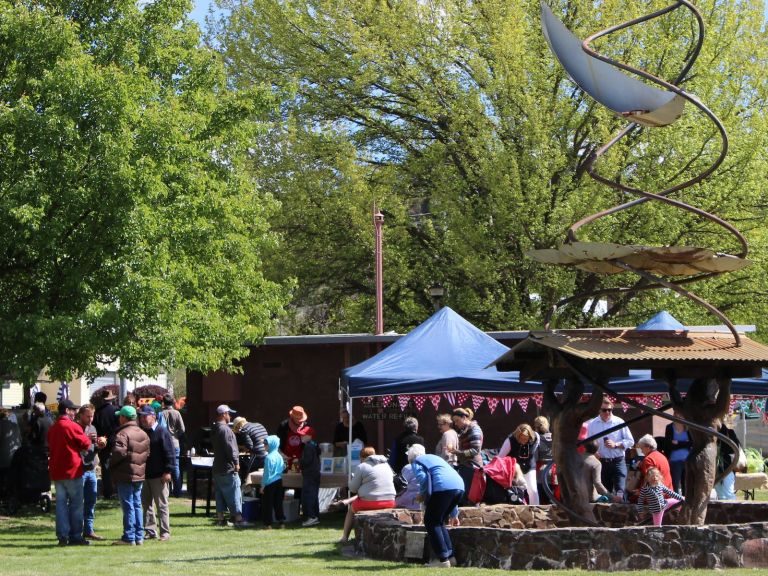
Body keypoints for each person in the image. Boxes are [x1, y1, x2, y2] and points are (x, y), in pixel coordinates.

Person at [407, 444, 464, 568]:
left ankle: (442, 560)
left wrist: (422, 495)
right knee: (439, 521)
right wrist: (454, 514)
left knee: (431, 521)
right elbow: (448, 481)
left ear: (410, 458)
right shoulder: (434, 458)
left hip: (443, 488)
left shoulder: (416, 461)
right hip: (459, 486)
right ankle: (450, 557)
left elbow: (423, 480)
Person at [47, 398, 92, 546]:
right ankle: (75, 536)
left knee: (60, 505)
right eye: (73, 410)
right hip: (72, 470)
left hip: (57, 471)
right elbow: (86, 443)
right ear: (67, 411)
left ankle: (62, 536)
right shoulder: (72, 426)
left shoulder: (53, 428)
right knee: (76, 505)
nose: (75, 413)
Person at [110, 405, 150, 545]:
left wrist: (111, 462)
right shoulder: (143, 433)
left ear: (124, 417)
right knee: (137, 504)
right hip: (139, 473)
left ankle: (129, 537)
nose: (119, 418)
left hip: (125, 474)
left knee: (128, 505)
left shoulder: (122, 433)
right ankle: (139, 536)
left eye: (120, 416)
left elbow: (119, 452)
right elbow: (147, 453)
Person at [340, 446, 396, 543]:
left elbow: (353, 488)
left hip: (370, 502)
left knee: (351, 510)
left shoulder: (362, 466)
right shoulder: (387, 465)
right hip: (390, 501)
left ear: (362, 458)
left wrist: (352, 480)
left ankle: (345, 537)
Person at [138, 405, 174, 541]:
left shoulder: (162, 431)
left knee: (162, 505)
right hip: (144, 474)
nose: (142, 419)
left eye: (144, 416)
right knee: (146, 504)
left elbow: (169, 453)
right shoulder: (142, 432)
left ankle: (165, 532)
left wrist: (168, 471)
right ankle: (150, 531)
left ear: (153, 416)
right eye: (140, 416)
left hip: (159, 475)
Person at [211, 404, 250, 528]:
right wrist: (236, 462)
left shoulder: (214, 428)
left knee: (220, 493)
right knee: (234, 492)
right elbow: (231, 448)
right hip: (228, 467)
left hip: (217, 467)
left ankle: (221, 518)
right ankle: (238, 518)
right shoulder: (226, 430)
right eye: (229, 413)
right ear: (223, 414)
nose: (230, 416)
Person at [586, 399, 634, 496]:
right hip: (602, 462)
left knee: (620, 491)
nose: (607, 412)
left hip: (618, 461)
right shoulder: (592, 424)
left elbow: (631, 441)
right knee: (605, 493)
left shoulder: (619, 422)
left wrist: (616, 444)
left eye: (610, 410)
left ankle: (623, 508)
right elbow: (587, 443)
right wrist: (593, 453)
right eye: (604, 410)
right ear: (599, 410)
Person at [75, 404, 106, 541]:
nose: (90, 419)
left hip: (91, 470)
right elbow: (74, 448)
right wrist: (86, 439)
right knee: (77, 502)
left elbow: (93, 449)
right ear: (80, 415)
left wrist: (99, 446)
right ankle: (75, 531)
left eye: (92, 416)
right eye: (88, 416)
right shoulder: (75, 429)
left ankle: (89, 530)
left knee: (91, 501)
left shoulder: (92, 428)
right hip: (79, 470)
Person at [499, 423, 540, 505]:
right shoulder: (510, 440)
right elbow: (500, 457)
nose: (523, 441)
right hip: (515, 469)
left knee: (533, 490)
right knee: (517, 491)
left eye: (526, 439)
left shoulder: (536, 437)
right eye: (521, 438)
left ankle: (535, 510)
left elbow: (535, 449)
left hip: (529, 466)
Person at [447, 407, 483, 500]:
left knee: (470, 498)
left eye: (457, 420)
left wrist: (457, 452)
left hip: (472, 468)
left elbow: (475, 451)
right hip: (465, 467)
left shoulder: (474, 429)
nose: (456, 423)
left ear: (464, 418)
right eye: (454, 421)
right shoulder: (465, 430)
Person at [93, 390, 119, 499]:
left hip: (103, 442)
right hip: (116, 441)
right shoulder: (116, 411)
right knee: (118, 466)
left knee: (105, 467)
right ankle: (117, 489)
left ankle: (108, 491)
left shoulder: (97, 412)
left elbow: (95, 428)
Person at [161, 395, 186, 497]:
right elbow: (182, 429)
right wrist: (176, 434)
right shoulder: (177, 413)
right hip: (175, 443)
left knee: (164, 466)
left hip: (163, 443)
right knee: (176, 467)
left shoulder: (161, 414)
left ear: (164, 402)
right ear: (172, 402)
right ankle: (177, 491)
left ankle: (166, 490)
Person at [261, 435, 286, 529]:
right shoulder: (279, 456)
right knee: (278, 503)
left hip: (269, 483)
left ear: (271, 445)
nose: (264, 446)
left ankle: (267, 524)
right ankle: (281, 522)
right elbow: (283, 467)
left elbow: (266, 474)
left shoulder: (268, 458)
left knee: (267, 504)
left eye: (265, 444)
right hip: (279, 481)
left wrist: (263, 485)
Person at [662, 413, 691, 494]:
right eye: (676, 415)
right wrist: (685, 443)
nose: (678, 417)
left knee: (686, 484)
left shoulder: (688, 427)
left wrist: (677, 443)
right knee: (675, 484)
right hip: (674, 460)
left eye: (680, 415)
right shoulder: (670, 427)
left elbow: (691, 443)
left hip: (687, 460)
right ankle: (676, 503)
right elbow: (668, 445)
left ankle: (686, 503)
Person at [299, 427, 321, 527]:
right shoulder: (314, 444)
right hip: (315, 473)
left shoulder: (308, 446)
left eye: (304, 435)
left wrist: (299, 462)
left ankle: (311, 517)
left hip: (310, 474)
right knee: (313, 495)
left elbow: (306, 461)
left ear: (310, 436)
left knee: (308, 496)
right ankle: (315, 516)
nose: (301, 436)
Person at [714, 420, 741, 500]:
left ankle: (733, 510)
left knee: (728, 492)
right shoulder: (711, 434)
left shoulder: (729, 433)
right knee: (722, 493)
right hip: (717, 468)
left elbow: (735, 448)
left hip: (727, 467)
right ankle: (725, 511)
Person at [534, 416, 554, 503]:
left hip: (541, 471)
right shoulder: (555, 438)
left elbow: (535, 458)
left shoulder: (536, 440)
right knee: (554, 500)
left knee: (543, 501)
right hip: (555, 471)